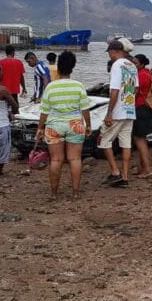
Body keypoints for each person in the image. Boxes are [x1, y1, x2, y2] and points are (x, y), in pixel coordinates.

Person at [37, 51, 92, 200]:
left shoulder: (50, 87)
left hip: (54, 125)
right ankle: (75, 193)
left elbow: (44, 111)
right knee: (75, 159)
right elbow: (85, 109)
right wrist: (88, 125)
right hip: (75, 124)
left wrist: (40, 128)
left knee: (55, 160)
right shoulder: (78, 86)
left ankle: (54, 194)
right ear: (72, 68)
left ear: (59, 68)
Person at [100, 40, 138, 187]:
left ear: (114, 52)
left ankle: (115, 172)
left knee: (104, 140)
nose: (109, 56)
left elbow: (114, 90)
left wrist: (109, 113)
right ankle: (125, 176)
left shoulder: (117, 65)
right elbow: (135, 89)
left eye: (109, 53)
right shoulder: (132, 66)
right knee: (126, 143)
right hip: (130, 109)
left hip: (118, 111)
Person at [131, 54, 152, 179]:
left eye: (135, 63)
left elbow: (133, 91)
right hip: (147, 108)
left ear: (142, 64)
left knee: (139, 139)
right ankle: (142, 167)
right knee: (141, 139)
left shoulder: (141, 75)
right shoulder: (147, 73)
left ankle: (147, 169)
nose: (133, 65)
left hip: (141, 108)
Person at [0, 45, 25, 111]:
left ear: (6, 53)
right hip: (14, 90)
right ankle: (16, 119)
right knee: (15, 106)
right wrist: (24, 88)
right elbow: (21, 77)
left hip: (4, 90)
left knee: (4, 108)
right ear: (13, 52)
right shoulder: (19, 62)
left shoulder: (1, 62)